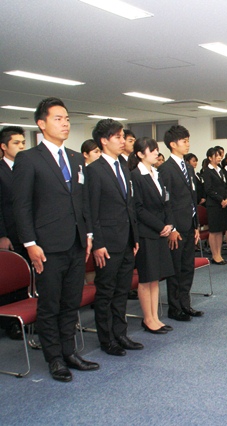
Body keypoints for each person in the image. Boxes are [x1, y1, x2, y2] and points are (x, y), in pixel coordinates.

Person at [13, 97, 99, 382]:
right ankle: (54, 359)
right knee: (50, 304)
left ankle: (69, 351)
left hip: (76, 242)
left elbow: (83, 201)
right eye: (58, 119)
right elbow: (21, 206)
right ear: (42, 123)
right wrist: (29, 243)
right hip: (46, 245)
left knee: (71, 302)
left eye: (67, 119)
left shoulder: (75, 158)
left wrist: (88, 234)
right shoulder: (28, 159)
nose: (65, 124)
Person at [85, 119, 142, 356]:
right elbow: (91, 211)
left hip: (126, 240)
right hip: (107, 243)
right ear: (104, 141)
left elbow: (130, 206)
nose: (122, 141)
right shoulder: (94, 170)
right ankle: (107, 338)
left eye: (122, 136)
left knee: (121, 291)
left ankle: (121, 333)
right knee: (106, 292)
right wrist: (97, 243)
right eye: (117, 137)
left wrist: (134, 237)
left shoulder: (124, 167)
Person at [129, 137, 175, 334]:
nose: (157, 152)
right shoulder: (135, 176)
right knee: (146, 277)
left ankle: (155, 317)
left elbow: (167, 201)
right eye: (152, 150)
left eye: (157, 149)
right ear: (140, 154)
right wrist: (160, 226)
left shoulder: (157, 173)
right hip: (147, 233)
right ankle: (148, 319)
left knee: (156, 277)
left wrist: (170, 224)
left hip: (161, 231)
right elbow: (138, 208)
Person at [158, 125, 202, 322]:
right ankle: (175, 308)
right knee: (175, 270)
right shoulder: (165, 169)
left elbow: (193, 198)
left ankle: (186, 304)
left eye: (188, 140)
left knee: (187, 268)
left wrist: (196, 225)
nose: (188, 144)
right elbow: (166, 202)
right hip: (176, 227)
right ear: (173, 144)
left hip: (189, 225)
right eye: (184, 141)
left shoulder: (189, 168)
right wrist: (172, 228)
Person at [0, 126, 28, 340]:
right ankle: (10, 323)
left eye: (23, 143)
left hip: (27, 232)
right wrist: (2, 235)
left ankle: (26, 317)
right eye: (16, 143)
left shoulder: (26, 168)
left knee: (28, 276)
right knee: (11, 278)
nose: (21, 146)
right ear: (3, 146)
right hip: (9, 231)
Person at [202, 147, 227, 265]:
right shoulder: (207, 171)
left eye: (220, 155)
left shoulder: (220, 170)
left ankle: (219, 254)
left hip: (223, 204)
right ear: (210, 158)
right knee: (214, 231)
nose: (219, 158)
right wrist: (220, 200)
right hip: (213, 205)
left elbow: (224, 187)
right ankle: (215, 255)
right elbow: (208, 189)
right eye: (216, 156)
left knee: (220, 231)